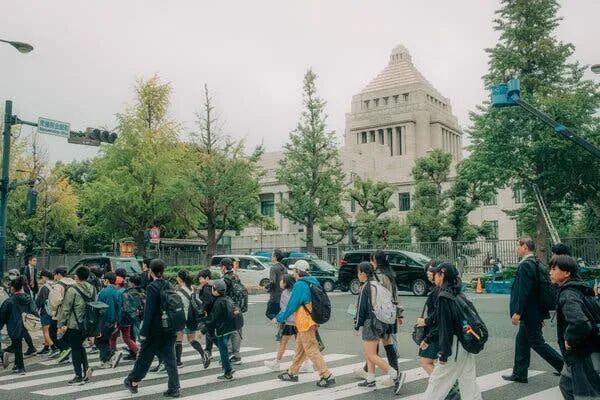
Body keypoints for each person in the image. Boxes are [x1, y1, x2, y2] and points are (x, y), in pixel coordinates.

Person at [503, 237, 564, 383]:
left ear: (524, 247)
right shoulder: (537, 263)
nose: (517, 249)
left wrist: (517, 312)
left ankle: (565, 367)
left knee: (537, 342)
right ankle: (519, 373)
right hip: (534, 311)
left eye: (518, 246)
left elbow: (524, 291)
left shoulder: (526, 265)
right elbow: (539, 291)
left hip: (529, 312)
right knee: (522, 341)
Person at [422, 262, 482, 400]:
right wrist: (429, 338)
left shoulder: (444, 297)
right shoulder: (457, 293)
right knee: (468, 383)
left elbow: (446, 327)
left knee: (437, 383)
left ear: (442, 275)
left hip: (454, 346)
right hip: (465, 343)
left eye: (436, 273)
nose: (434, 276)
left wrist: (443, 353)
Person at [124, 259, 180, 398]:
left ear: (151, 271)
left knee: (144, 357)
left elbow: (149, 312)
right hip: (169, 328)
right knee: (170, 359)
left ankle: (132, 380)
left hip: (155, 330)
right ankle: (174, 388)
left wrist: (143, 332)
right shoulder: (169, 285)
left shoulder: (152, 287)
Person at [275, 260, 336, 388]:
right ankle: (292, 372)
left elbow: (292, 304)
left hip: (305, 321)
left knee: (311, 349)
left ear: (297, 271)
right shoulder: (312, 282)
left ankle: (327, 375)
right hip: (311, 320)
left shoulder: (300, 285)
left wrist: (280, 317)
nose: (292, 273)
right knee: (300, 348)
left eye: (294, 270)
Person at [549, 255, 600, 400]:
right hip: (584, 351)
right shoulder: (581, 288)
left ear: (567, 273)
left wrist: (569, 339)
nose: (550, 272)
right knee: (567, 386)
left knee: (586, 395)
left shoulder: (568, 294)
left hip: (582, 352)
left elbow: (580, 323)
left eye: (554, 269)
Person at [353, 262, 403, 393]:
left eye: (358, 272)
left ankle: (394, 374)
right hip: (382, 321)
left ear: (363, 274)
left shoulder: (366, 287)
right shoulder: (377, 285)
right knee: (371, 353)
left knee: (370, 354)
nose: (357, 275)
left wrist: (357, 325)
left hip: (371, 322)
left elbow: (360, 309)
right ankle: (370, 380)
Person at [416, 261, 460, 400]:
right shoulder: (448, 291)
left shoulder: (440, 293)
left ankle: (450, 391)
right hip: (449, 337)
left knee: (426, 362)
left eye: (431, 271)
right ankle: (451, 389)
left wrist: (427, 329)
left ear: (441, 274)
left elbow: (441, 319)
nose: (429, 273)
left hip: (437, 333)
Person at [265, 274, 313, 373]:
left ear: (286, 282)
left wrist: (279, 318)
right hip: (296, 321)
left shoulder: (288, 293)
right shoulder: (292, 292)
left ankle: (277, 363)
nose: (280, 282)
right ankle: (306, 364)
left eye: (282, 281)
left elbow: (285, 309)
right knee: (300, 344)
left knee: (285, 343)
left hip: (292, 322)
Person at [57, 266, 95, 385]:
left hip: (75, 324)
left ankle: (78, 375)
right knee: (79, 346)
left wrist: (60, 324)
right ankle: (86, 369)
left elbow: (66, 308)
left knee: (75, 348)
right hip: (87, 323)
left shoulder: (72, 289)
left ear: (76, 277)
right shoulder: (92, 288)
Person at [204, 279, 241, 381]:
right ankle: (228, 368)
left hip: (222, 330)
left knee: (223, 352)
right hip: (231, 328)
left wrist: (203, 330)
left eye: (212, 288)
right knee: (223, 349)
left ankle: (228, 373)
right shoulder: (228, 299)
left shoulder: (218, 303)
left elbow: (212, 319)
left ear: (215, 290)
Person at [0, 276, 37, 375]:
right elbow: (34, 311)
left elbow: (2, 316)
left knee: (17, 346)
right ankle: (16, 365)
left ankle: (21, 367)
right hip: (25, 325)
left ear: (12, 288)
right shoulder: (28, 298)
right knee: (18, 345)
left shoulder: (9, 301)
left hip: (13, 326)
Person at [175, 270, 210, 368]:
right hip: (192, 317)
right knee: (191, 339)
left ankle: (178, 362)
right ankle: (203, 354)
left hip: (183, 318)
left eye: (177, 276)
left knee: (178, 340)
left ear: (180, 278)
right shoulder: (191, 288)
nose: (176, 278)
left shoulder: (178, 291)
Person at [5, 269, 37, 357]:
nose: (11, 275)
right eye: (10, 274)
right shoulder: (13, 284)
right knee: (22, 332)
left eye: (13, 274)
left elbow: (26, 299)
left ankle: (30, 348)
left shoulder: (22, 286)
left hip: (22, 313)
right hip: (19, 312)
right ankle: (19, 347)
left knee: (23, 332)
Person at [97, 272, 125, 369]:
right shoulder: (118, 292)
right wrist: (117, 321)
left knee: (100, 341)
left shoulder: (103, 292)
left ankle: (110, 356)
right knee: (104, 340)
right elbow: (120, 308)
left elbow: (99, 307)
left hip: (104, 320)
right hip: (114, 321)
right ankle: (107, 359)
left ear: (107, 281)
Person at [48, 267, 75, 362]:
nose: (54, 277)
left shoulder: (58, 285)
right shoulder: (74, 283)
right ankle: (66, 351)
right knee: (67, 333)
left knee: (52, 332)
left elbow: (55, 302)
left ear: (59, 274)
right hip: (73, 313)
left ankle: (64, 349)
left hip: (60, 314)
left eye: (55, 274)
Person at [221, 258, 244, 365]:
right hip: (238, 307)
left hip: (229, 308)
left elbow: (222, 293)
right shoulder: (236, 276)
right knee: (237, 329)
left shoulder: (226, 278)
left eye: (220, 266)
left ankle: (230, 354)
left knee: (228, 330)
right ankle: (237, 355)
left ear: (224, 267)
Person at [35, 270, 56, 355]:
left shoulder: (44, 287)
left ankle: (54, 348)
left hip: (46, 311)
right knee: (50, 330)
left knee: (45, 332)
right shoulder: (54, 285)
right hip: (54, 311)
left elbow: (39, 302)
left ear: (44, 277)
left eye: (40, 277)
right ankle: (46, 347)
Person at [196, 269, 215, 360]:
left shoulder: (207, 287)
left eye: (201, 279)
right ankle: (208, 350)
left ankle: (226, 351)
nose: (200, 281)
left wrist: (203, 310)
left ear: (207, 278)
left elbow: (208, 301)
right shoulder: (209, 286)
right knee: (210, 333)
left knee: (209, 332)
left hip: (211, 313)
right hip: (212, 313)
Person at [266, 249, 287, 320]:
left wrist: (266, 287)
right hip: (283, 295)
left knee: (268, 313)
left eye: (272, 255)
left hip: (275, 297)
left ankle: (279, 322)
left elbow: (272, 282)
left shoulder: (273, 268)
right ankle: (281, 324)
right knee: (280, 312)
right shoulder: (284, 268)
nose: (271, 257)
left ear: (275, 257)